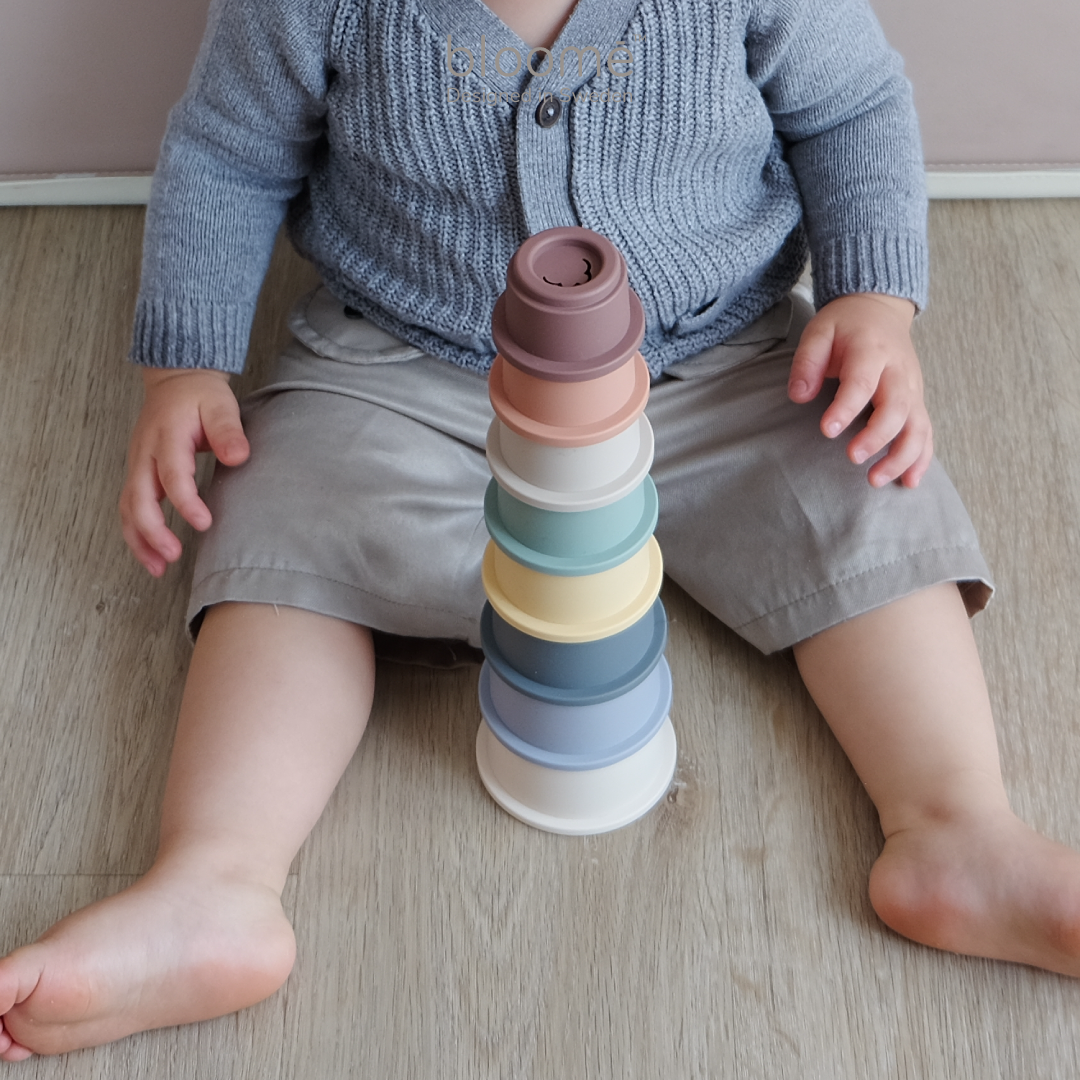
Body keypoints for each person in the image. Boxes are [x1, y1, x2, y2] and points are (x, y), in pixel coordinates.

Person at [3, 0, 1080, 1059]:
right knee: (286, 525)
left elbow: (852, 110)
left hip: (717, 352)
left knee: (861, 479)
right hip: (408, 359)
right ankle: (214, 883)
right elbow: (227, 152)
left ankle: (958, 833)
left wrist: (874, 301)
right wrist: (184, 365)